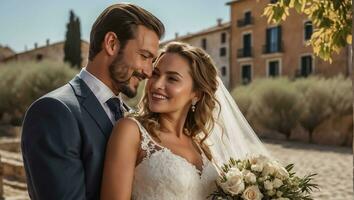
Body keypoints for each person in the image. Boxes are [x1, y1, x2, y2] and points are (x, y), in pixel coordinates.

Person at [21, 3, 165, 200]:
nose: (148, 72)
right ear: (112, 43)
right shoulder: (54, 111)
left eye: (152, 61)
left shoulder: (132, 117)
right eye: (144, 56)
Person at [101, 42, 220, 200]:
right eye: (155, 74)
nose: (156, 84)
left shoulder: (201, 146)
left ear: (196, 94)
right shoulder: (131, 131)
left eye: (172, 79)